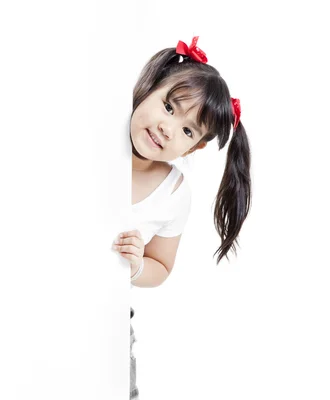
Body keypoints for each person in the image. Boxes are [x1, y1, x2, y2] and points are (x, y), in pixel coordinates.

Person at [111, 36, 252, 400]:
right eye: (169, 108)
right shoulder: (99, 128)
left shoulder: (174, 193)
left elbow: (161, 264)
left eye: (188, 131)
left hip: (105, 315)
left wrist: (136, 265)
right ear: (150, 84)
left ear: (194, 147)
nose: (168, 129)